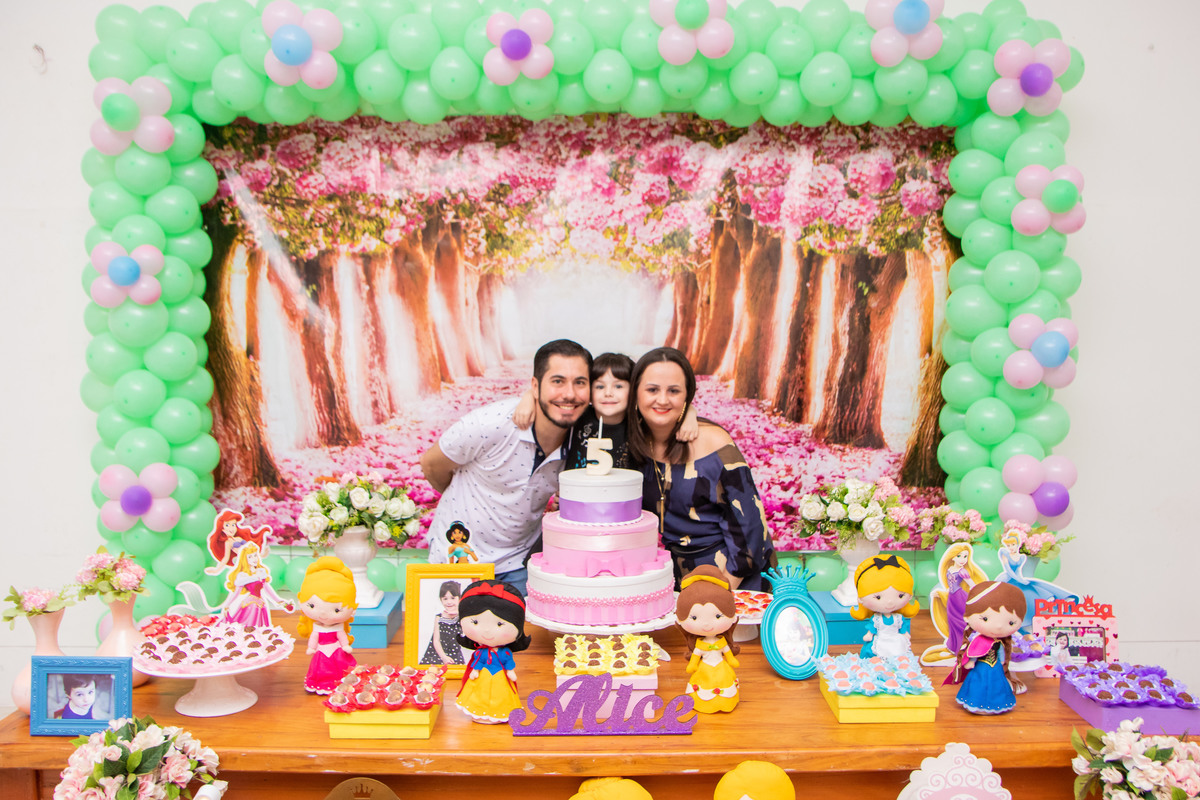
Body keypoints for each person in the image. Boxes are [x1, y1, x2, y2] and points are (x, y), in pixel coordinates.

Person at [420, 339, 592, 594]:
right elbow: (432, 464)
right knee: (450, 630)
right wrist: (462, 500)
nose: (569, 393)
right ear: (535, 386)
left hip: (519, 563)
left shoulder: (584, 438)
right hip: (458, 558)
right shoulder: (491, 424)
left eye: (580, 382)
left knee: (523, 632)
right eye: (557, 381)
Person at [626, 347, 776, 591]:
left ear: (687, 396)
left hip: (729, 578)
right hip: (670, 583)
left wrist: (720, 593)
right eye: (652, 390)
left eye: (673, 391)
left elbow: (750, 531)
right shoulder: (631, 444)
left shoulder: (714, 443)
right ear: (636, 394)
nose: (662, 399)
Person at [512, 352, 698, 470]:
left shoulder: (638, 421)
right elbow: (552, 403)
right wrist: (529, 397)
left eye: (618, 386)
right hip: (578, 502)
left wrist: (689, 413)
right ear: (589, 391)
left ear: (633, 390)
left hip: (621, 507)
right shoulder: (580, 416)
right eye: (599, 387)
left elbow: (671, 411)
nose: (608, 394)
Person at [455, 579, 532, 724]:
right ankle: (478, 712)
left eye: (499, 624)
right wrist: (475, 671)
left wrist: (510, 671)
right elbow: (479, 661)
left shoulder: (504, 653)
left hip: (499, 677)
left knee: (499, 696)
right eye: (475, 622)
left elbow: (508, 662)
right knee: (478, 694)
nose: (487, 631)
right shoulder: (480, 652)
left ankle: (498, 714)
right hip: (482, 676)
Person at [945, 581, 1027, 715]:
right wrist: (971, 661)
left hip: (995, 668)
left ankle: (996, 705)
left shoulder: (1001, 642)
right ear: (967, 617)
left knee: (997, 686)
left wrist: (1002, 661)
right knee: (978, 684)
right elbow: (974, 652)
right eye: (985, 619)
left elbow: (1000, 652)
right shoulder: (978, 640)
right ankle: (976, 704)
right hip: (981, 667)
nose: (999, 627)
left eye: (1011, 622)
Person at [676, 565, 740, 714]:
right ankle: (703, 703)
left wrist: (731, 660)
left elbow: (729, 655)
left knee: (724, 682)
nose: (706, 625)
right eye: (694, 618)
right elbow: (695, 657)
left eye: (718, 616)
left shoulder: (721, 642)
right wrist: (692, 665)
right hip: (704, 670)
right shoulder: (699, 644)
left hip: (721, 668)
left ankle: (725, 701)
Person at [297, 557, 357, 695]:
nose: (324, 615)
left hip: (337, 651)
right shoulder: (317, 627)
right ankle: (321, 684)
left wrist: (345, 645)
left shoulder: (338, 627)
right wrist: (311, 648)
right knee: (320, 670)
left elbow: (342, 637)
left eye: (337, 610)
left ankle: (341, 684)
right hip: (321, 652)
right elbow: (314, 637)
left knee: (340, 669)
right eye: (312, 605)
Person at [997, 531, 1076, 629]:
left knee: (1031, 587)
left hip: (1018, 578)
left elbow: (1017, 570)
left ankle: (1042, 605)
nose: (1011, 547)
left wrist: (1021, 579)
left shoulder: (1020, 557)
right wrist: (1017, 579)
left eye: (1013, 544)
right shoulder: (1004, 553)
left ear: (1017, 544)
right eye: (1009, 545)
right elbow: (1008, 569)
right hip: (1007, 578)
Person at [849, 554, 920, 659]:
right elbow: (872, 629)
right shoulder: (876, 619)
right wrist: (869, 635)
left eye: (900, 595)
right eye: (878, 597)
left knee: (901, 652)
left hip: (896, 640)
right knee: (876, 652)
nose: (890, 602)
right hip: (882, 640)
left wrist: (905, 633)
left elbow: (902, 627)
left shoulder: (898, 618)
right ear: (860, 598)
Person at [928, 543, 988, 659]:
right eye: (960, 556)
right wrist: (940, 594)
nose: (963, 559)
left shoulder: (962, 571)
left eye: (965, 556)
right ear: (953, 557)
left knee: (962, 622)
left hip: (960, 597)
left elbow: (972, 585)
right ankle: (955, 647)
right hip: (952, 598)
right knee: (952, 622)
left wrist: (976, 594)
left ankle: (968, 645)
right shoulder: (950, 569)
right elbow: (949, 586)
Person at [220, 541, 293, 627]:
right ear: (245, 559)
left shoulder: (261, 571)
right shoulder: (243, 575)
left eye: (255, 555)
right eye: (250, 557)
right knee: (248, 626)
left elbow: (267, 589)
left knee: (259, 628)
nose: (254, 559)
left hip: (261, 603)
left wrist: (279, 601)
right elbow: (236, 593)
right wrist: (227, 605)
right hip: (251, 604)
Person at [204, 508, 270, 576]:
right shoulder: (228, 542)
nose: (231, 528)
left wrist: (259, 554)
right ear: (222, 528)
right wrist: (217, 570)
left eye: (233, 525)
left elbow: (250, 548)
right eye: (227, 525)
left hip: (250, 558)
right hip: (242, 561)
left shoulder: (238, 538)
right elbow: (226, 558)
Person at [421, 580, 465, 666]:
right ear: (441, 600)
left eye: (453, 598)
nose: (449, 602)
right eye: (445, 599)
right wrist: (443, 657)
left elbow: (467, 632)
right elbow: (436, 640)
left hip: (454, 652)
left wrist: (459, 614)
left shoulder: (462, 616)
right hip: (438, 653)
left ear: (459, 598)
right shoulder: (439, 618)